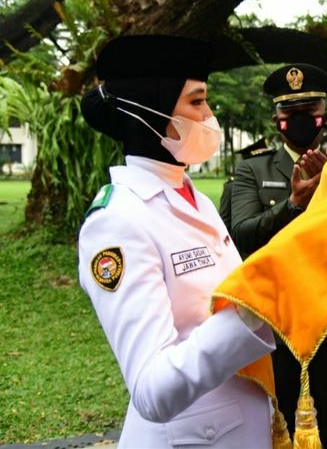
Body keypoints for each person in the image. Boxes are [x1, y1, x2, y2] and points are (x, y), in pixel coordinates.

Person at [77, 35, 278, 447]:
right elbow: (152, 389)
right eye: (197, 102)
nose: (209, 116)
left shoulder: (194, 198)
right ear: (152, 110)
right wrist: (252, 310)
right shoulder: (116, 222)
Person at [227, 63, 327, 449]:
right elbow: (242, 235)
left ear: (325, 116)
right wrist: (292, 204)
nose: (302, 122)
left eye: (310, 113)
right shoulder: (252, 169)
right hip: (277, 322)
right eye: (291, 115)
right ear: (277, 120)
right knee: (280, 429)